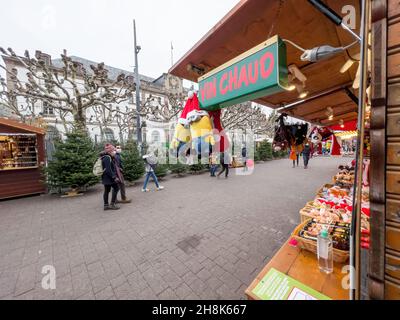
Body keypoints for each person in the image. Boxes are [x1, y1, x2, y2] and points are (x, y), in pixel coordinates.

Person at [101, 144, 120, 210]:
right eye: (113, 150)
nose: (114, 152)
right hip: (109, 178)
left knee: (107, 190)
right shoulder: (107, 158)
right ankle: (112, 204)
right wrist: (114, 177)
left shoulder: (106, 157)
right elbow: (108, 170)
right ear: (110, 151)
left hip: (106, 177)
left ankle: (106, 205)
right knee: (116, 188)